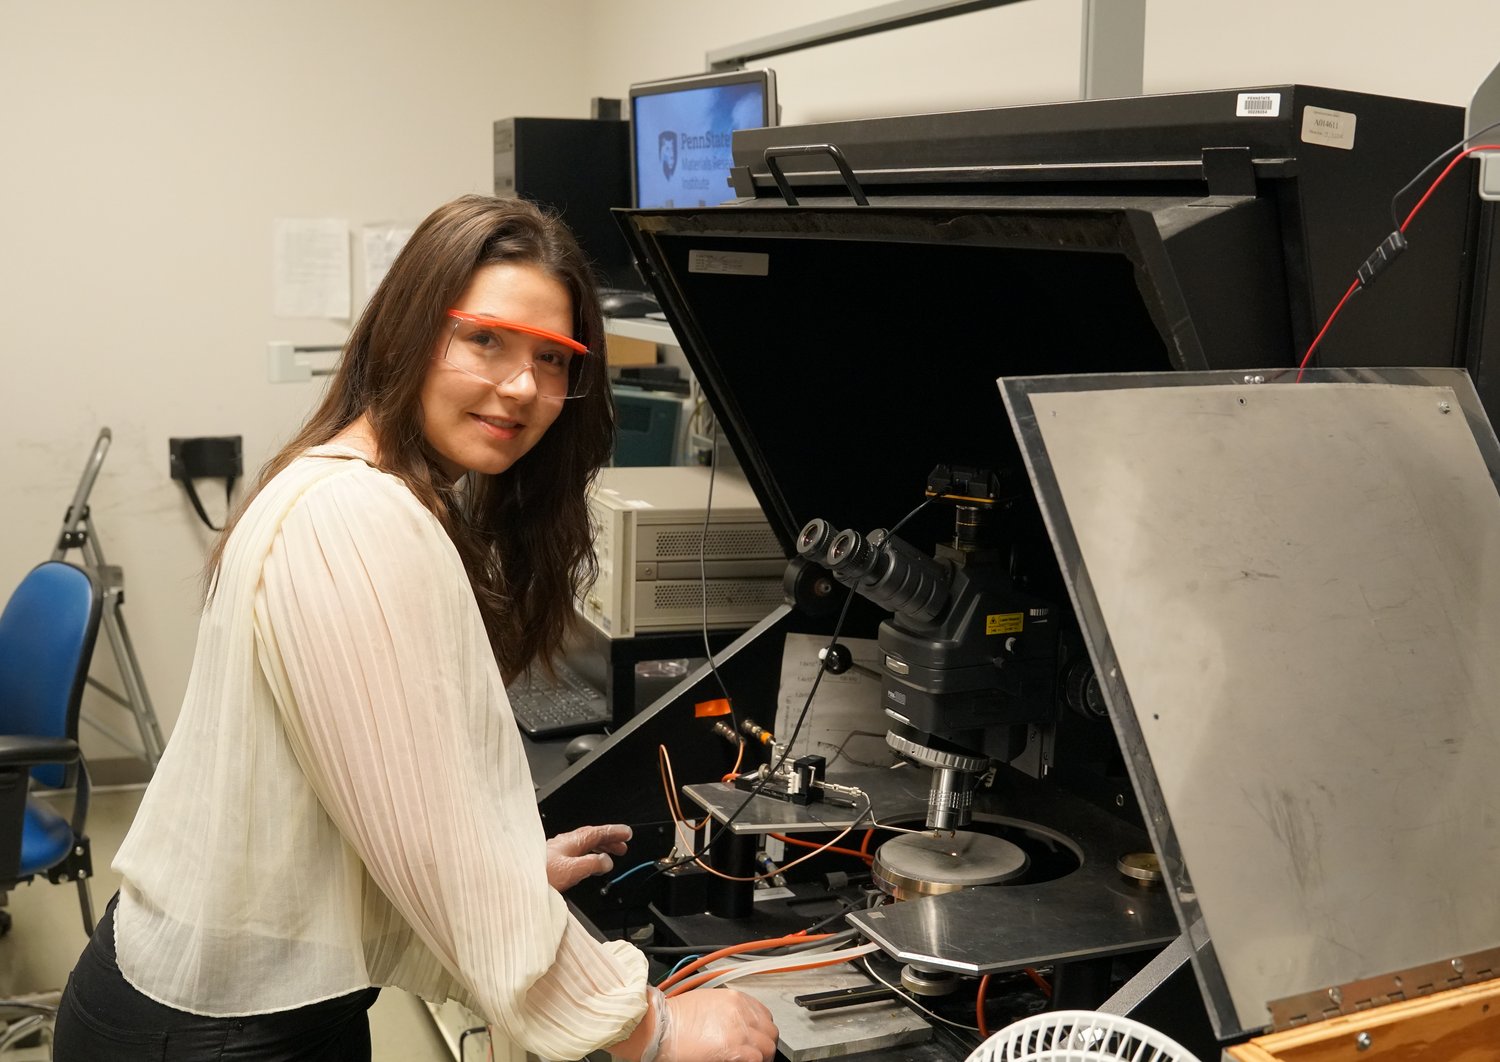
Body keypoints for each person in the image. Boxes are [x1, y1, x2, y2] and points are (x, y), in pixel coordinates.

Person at [53, 195, 779, 1062]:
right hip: (209, 1034)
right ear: (406, 331)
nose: (523, 387)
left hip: (236, 998)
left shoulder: (357, 487)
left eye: (553, 358)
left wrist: (508, 873)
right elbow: (432, 851)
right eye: (486, 340)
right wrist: (651, 1028)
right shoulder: (356, 516)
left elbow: (363, 812)